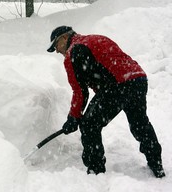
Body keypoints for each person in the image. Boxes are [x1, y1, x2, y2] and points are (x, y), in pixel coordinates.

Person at [47, 26, 165, 178]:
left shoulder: (73, 53)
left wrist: (73, 118)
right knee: (140, 123)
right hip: (137, 78)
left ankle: (96, 172)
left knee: (89, 125)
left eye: (56, 45)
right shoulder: (96, 38)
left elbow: (80, 92)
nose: (57, 50)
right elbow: (115, 62)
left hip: (117, 86)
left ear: (64, 38)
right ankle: (156, 164)